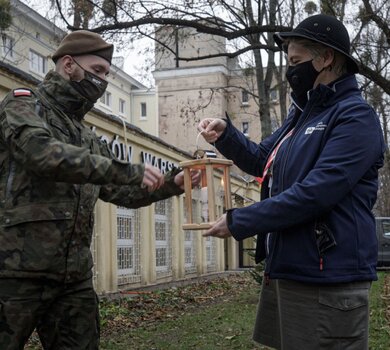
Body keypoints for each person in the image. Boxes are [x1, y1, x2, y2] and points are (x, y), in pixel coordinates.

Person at [0, 30, 200, 349]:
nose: (102, 81)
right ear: (68, 65)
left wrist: (171, 184)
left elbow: (118, 192)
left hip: (73, 278)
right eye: (97, 71)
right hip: (15, 272)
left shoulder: (87, 135)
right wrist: (126, 170)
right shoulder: (25, 104)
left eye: (106, 74)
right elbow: (41, 154)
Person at [198, 14, 385, 350]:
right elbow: (261, 161)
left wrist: (241, 220)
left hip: (327, 278)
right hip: (289, 270)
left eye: (296, 61)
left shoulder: (355, 117)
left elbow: (316, 193)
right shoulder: (301, 115)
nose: (289, 71)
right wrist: (226, 136)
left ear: (326, 58)